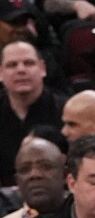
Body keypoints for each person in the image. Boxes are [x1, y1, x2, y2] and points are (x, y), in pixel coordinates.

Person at [0, 40, 62, 185]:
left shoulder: (67, 111)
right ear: (1, 73)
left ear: (42, 69)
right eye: (12, 65)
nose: (21, 70)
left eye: (28, 63)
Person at [0, 136, 66, 218]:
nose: (34, 174)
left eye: (45, 166)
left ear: (65, 175)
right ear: (17, 181)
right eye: (25, 169)